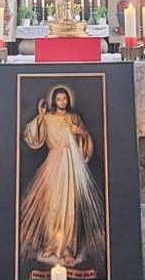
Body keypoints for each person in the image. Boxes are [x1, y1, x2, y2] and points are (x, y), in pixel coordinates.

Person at [18, 86, 105, 267]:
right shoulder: (48, 118)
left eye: (65, 99)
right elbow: (34, 137)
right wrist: (41, 116)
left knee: (70, 205)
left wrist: (82, 133)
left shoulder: (74, 118)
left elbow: (85, 142)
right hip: (53, 165)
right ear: (54, 101)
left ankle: (67, 249)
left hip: (71, 165)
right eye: (59, 99)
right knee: (52, 204)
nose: (62, 102)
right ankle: (51, 244)